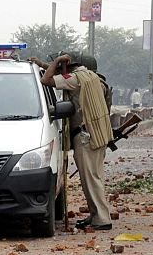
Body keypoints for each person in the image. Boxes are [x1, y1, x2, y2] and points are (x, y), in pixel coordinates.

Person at [36, 52, 113, 230]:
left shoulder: (76, 79)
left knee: (91, 179)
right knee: (95, 177)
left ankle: (102, 219)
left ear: (69, 66)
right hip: (97, 134)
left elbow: (47, 80)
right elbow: (58, 76)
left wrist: (54, 62)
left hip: (86, 136)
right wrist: (42, 63)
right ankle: (97, 216)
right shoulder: (91, 77)